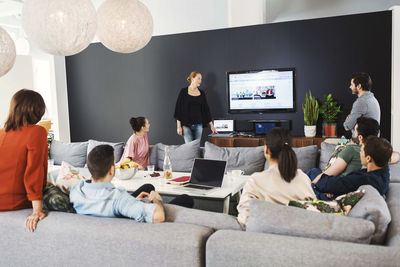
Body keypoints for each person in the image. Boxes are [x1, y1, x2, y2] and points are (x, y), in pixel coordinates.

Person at [70, 145, 193, 223]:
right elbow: (159, 216)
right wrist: (157, 200)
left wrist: (132, 200)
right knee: (186, 199)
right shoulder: (118, 198)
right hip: (136, 225)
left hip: (116, 212)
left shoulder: (76, 190)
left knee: (148, 187)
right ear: (112, 170)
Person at [236, 128, 316, 227]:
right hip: (299, 236)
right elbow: (314, 213)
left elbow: (244, 219)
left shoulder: (255, 181)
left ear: (266, 149)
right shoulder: (303, 178)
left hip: (264, 237)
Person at [0, 89, 48, 232]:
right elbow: (34, 171)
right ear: (37, 109)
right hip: (17, 202)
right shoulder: (37, 132)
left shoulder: (1, 133)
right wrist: (37, 210)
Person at [313, 136, 392, 199]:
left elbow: (326, 184)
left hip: (330, 198)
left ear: (368, 158)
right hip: (336, 190)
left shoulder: (364, 179)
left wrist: (329, 188)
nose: (359, 153)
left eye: (361, 151)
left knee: (312, 173)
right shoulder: (383, 173)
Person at [174, 71, 218, 143]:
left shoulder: (202, 93)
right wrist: (178, 127)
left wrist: (212, 126)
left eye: (201, 79)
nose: (200, 81)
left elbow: (206, 110)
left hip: (198, 125)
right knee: (189, 148)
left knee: (196, 147)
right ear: (192, 78)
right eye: (199, 78)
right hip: (186, 125)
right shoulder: (183, 92)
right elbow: (178, 109)